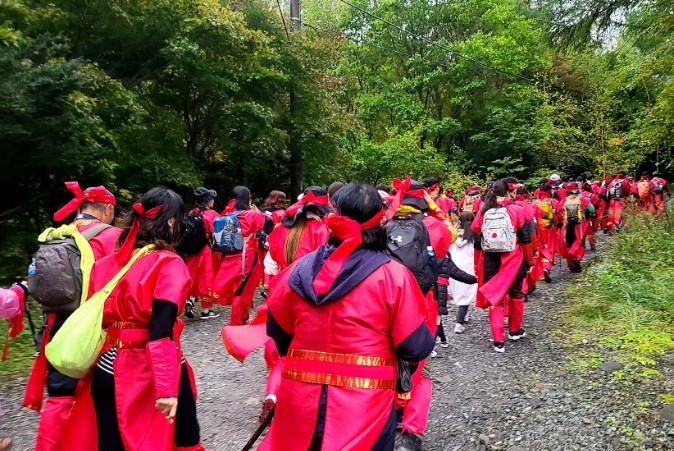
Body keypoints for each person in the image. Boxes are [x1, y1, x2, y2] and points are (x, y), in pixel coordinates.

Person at [263, 183, 435, 450]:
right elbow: (415, 347)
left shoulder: (297, 270)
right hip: (365, 407)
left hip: (300, 400)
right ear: (381, 222)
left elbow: (278, 332)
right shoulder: (393, 276)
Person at [86, 187, 202, 451]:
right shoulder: (168, 264)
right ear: (170, 222)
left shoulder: (107, 264)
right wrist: (166, 389)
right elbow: (160, 330)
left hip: (107, 367)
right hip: (149, 369)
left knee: (110, 443)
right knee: (186, 439)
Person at [23, 182, 120, 451]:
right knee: (98, 394)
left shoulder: (57, 234)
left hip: (56, 324)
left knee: (59, 395)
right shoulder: (112, 237)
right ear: (107, 210)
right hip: (94, 327)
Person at [472, 179, 534, 353]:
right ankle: (514, 331)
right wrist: (529, 261)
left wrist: (476, 264)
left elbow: (477, 235)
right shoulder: (517, 210)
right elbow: (525, 238)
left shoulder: (484, 210)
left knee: (496, 299)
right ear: (508, 192)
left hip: (491, 260)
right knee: (516, 293)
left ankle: (498, 340)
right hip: (514, 259)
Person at [212, 186, 272, 325]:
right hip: (246, 257)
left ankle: (242, 317)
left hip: (230, 256)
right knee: (242, 289)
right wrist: (257, 211)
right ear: (246, 198)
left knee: (237, 288)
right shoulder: (249, 215)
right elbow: (269, 222)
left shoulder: (228, 213)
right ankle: (237, 321)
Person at [184, 187, 220, 320]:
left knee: (192, 276)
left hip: (192, 250)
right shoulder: (212, 214)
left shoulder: (192, 212)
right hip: (205, 250)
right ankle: (206, 311)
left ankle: (191, 300)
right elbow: (217, 233)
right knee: (205, 278)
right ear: (207, 201)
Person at [449, 212, 478, 334]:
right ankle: (459, 322)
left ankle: (463, 315)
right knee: (466, 294)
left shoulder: (453, 234)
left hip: (454, 266)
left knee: (459, 293)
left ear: (459, 222)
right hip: (469, 265)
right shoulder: (474, 235)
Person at [559, 184, 594, 272]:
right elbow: (592, 210)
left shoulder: (563, 200)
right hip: (580, 225)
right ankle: (577, 258)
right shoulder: (583, 200)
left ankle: (570, 264)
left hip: (567, 225)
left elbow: (558, 211)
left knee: (569, 244)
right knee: (581, 243)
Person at [534, 184, 560, 284]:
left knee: (541, 249)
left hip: (537, 230)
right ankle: (546, 268)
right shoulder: (553, 202)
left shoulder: (535, 203)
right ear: (549, 191)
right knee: (550, 249)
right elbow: (559, 214)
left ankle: (540, 270)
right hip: (549, 229)